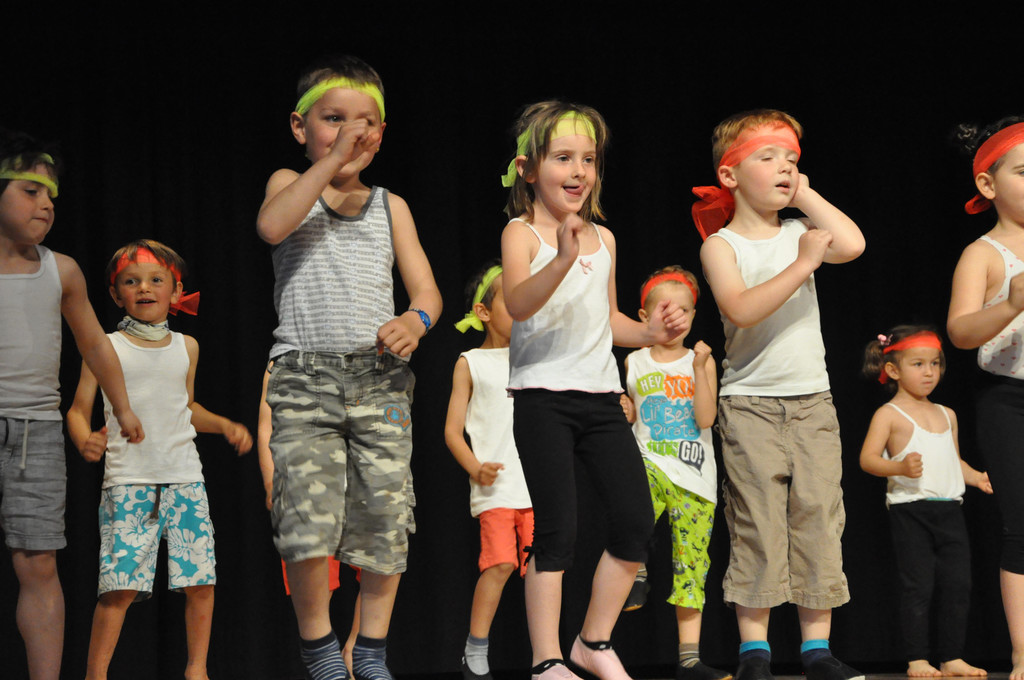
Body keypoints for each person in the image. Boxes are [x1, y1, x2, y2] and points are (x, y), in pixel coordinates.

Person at [256, 54, 442, 680]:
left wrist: (415, 320)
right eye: (333, 119)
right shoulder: (289, 182)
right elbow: (271, 226)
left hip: (379, 379)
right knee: (307, 520)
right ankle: (319, 650)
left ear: (380, 135)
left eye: (363, 123)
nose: (349, 133)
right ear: (300, 126)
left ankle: (370, 652)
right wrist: (331, 161)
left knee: (386, 519)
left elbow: (427, 291)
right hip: (305, 377)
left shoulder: (391, 205)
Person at [500, 100, 687, 680]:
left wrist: (650, 334)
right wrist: (561, 256)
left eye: (589, 159)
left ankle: (593, 641)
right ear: (529, 168)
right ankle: (546, 660)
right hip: (543, 400)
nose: (579, 171)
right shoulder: (521, 233)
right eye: (563, 158)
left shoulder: (604, 238)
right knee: (558, 531)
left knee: (635, 522)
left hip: (602, 400)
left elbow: (608, 321)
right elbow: (518, 304)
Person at [694, 109, 865, 680]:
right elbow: (742, 308)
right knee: (758, 523)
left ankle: (816, 649)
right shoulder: (721, 245)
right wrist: (803, 264)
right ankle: (755, 652)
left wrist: (807, 196)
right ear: (730, 175)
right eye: (768, 158)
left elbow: (853, 244)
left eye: (792, 159)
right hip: (750, 406)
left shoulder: (798, 231)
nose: (784, 168)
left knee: (818, 515)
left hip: (812, 402)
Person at [65, 239, 252, 680]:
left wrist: (224, 424)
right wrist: (85, 439)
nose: (144, 288)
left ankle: (197, 671)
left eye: (155, 280)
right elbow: (77, 410)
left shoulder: (187, 347)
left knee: (200, 581)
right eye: (131, 282)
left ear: (176, 290)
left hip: (185, 477)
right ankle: (95, 675)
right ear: (116, 295)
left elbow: (186, 407)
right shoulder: (104, 347)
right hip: (129, 480)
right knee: (120, 587)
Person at [0, 128, 143, 680]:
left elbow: (95, 346)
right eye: (30, 190)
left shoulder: (61, 270)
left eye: (51, 196)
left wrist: (122, 407)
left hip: (34, 433)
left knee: (38, 563)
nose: (46, 204)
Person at [859, 326, 991, 678]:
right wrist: (899, 467)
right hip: (911, 510)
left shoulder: (948, 414)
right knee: (918, 586)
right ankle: (917, 658)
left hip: (950, 510)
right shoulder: (889, 414)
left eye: (935, 363)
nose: (929, 372)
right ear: (893, 370)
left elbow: (953, 460)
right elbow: (868, 459)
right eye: (918, 364)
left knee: (958, 585)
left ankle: (952, 657)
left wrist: (977, 477)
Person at [619, 266, 729, 680]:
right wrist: (625, 411)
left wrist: (699, 368)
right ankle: (637, 573)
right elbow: (632, 415)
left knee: (691, 564)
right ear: (644, 316)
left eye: (684, 310)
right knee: (632, 515)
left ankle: (688, 659)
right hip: (648, 461)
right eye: (665, 309)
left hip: (694, 476)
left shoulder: (701, 361)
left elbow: (706, 418)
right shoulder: (634, 360)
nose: (675, 317)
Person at [947, 115, 1024, 680]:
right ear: (988, 184)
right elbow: (961, 331)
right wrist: (1012, 304)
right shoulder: (985, 253)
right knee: (1022, 527)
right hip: (1010, 400)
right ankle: (1023, 654)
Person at [445, 262, 534, 680]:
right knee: (499, 565)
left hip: (536, 484)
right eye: (510, 301)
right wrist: (475, 468)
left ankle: (547, 654)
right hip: (497, 486)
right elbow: (452, 431)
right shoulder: (471, 362)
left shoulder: (536, 357)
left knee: (542, 570)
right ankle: (475, 648)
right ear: (483, 312)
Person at [257, 362, 360, 674]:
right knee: (316, 584)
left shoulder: (360, 352)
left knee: (376, 570)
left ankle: (354, 653)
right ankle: (326, 664)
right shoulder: (282, 361)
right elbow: (267, 425)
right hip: (308, 487)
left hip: (358, 482)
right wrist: (271, 482)